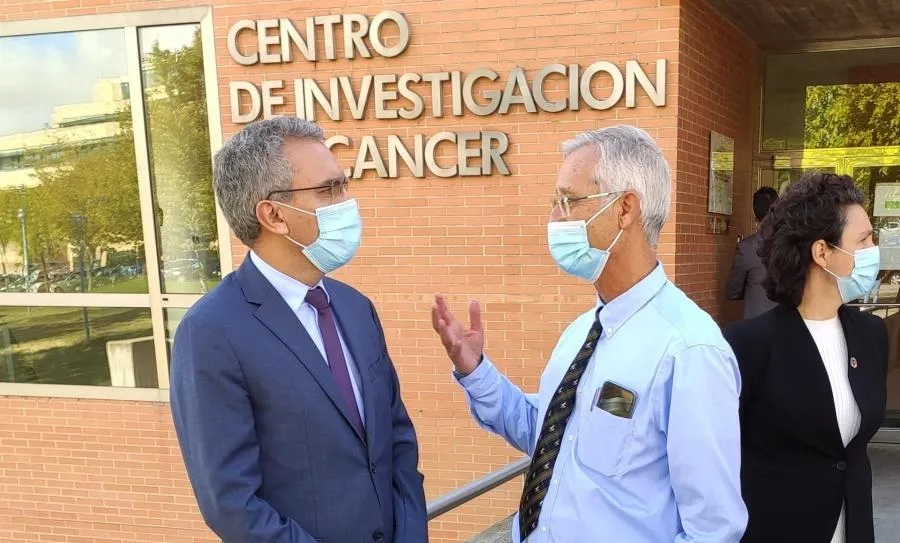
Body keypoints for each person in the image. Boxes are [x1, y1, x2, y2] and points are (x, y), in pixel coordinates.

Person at [431, 125, 747, 542]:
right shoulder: (584, 331)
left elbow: (713, 527)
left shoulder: (688, 350)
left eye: (567, 201)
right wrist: (476, 372)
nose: (553, 218)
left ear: (625, 208)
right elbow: (546, 434)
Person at [169, 117, 427, 543]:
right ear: (273, 214)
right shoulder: (212, 332)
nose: (347, 201)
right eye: (330, 190)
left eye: (343, 185)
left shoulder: (355, 306)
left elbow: (397, 441)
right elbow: (233, 504)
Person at [723, 173, 887, 543]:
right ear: (822, 253)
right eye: (864, 240)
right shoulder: (747, 344)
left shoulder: (871, 335)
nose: (874, 249)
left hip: (853, 527)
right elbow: (718, 461)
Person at [725, 186, 779, 319]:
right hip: (789, 326)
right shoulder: (793, 244)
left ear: (755, 214)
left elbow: (732, 291)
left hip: (756, 325)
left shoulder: (747, 248)